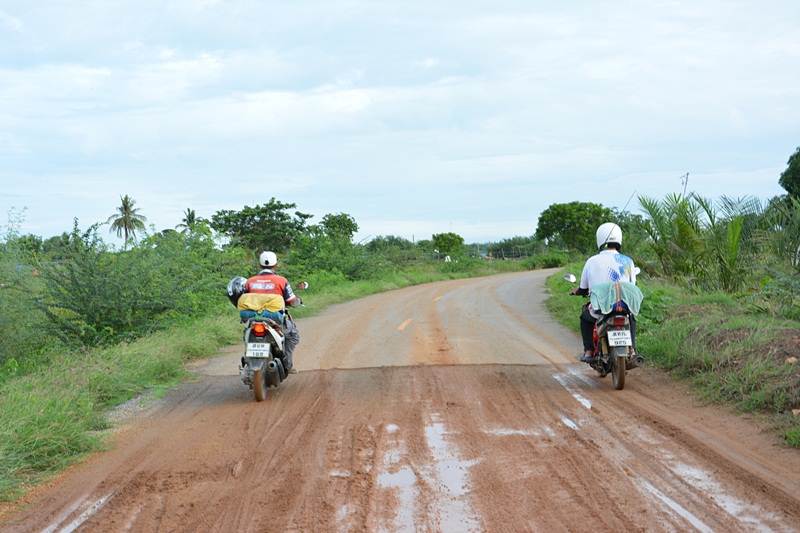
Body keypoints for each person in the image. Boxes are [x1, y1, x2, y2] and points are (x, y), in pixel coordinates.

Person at [570, 223, 638, 363]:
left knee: (585, 318)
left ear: (599, 239)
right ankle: (632, 350)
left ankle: (589, 351)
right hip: (623, 306)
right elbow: (632, 286)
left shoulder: (591, 261)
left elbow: (583, 288)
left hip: (600, 308)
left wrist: (577, 291)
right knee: (631, 319)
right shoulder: (628, 261)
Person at [244, 251, 303, 374]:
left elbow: (244, 299)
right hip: (274, 318)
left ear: (260, 265)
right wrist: (299, 301)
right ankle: (288, 364)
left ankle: (249, 359)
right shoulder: (282, 281)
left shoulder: (249, 282)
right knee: (292, 335)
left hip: (253, 318)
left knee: (247, 335)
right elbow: (292, 301)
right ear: (275, 265)